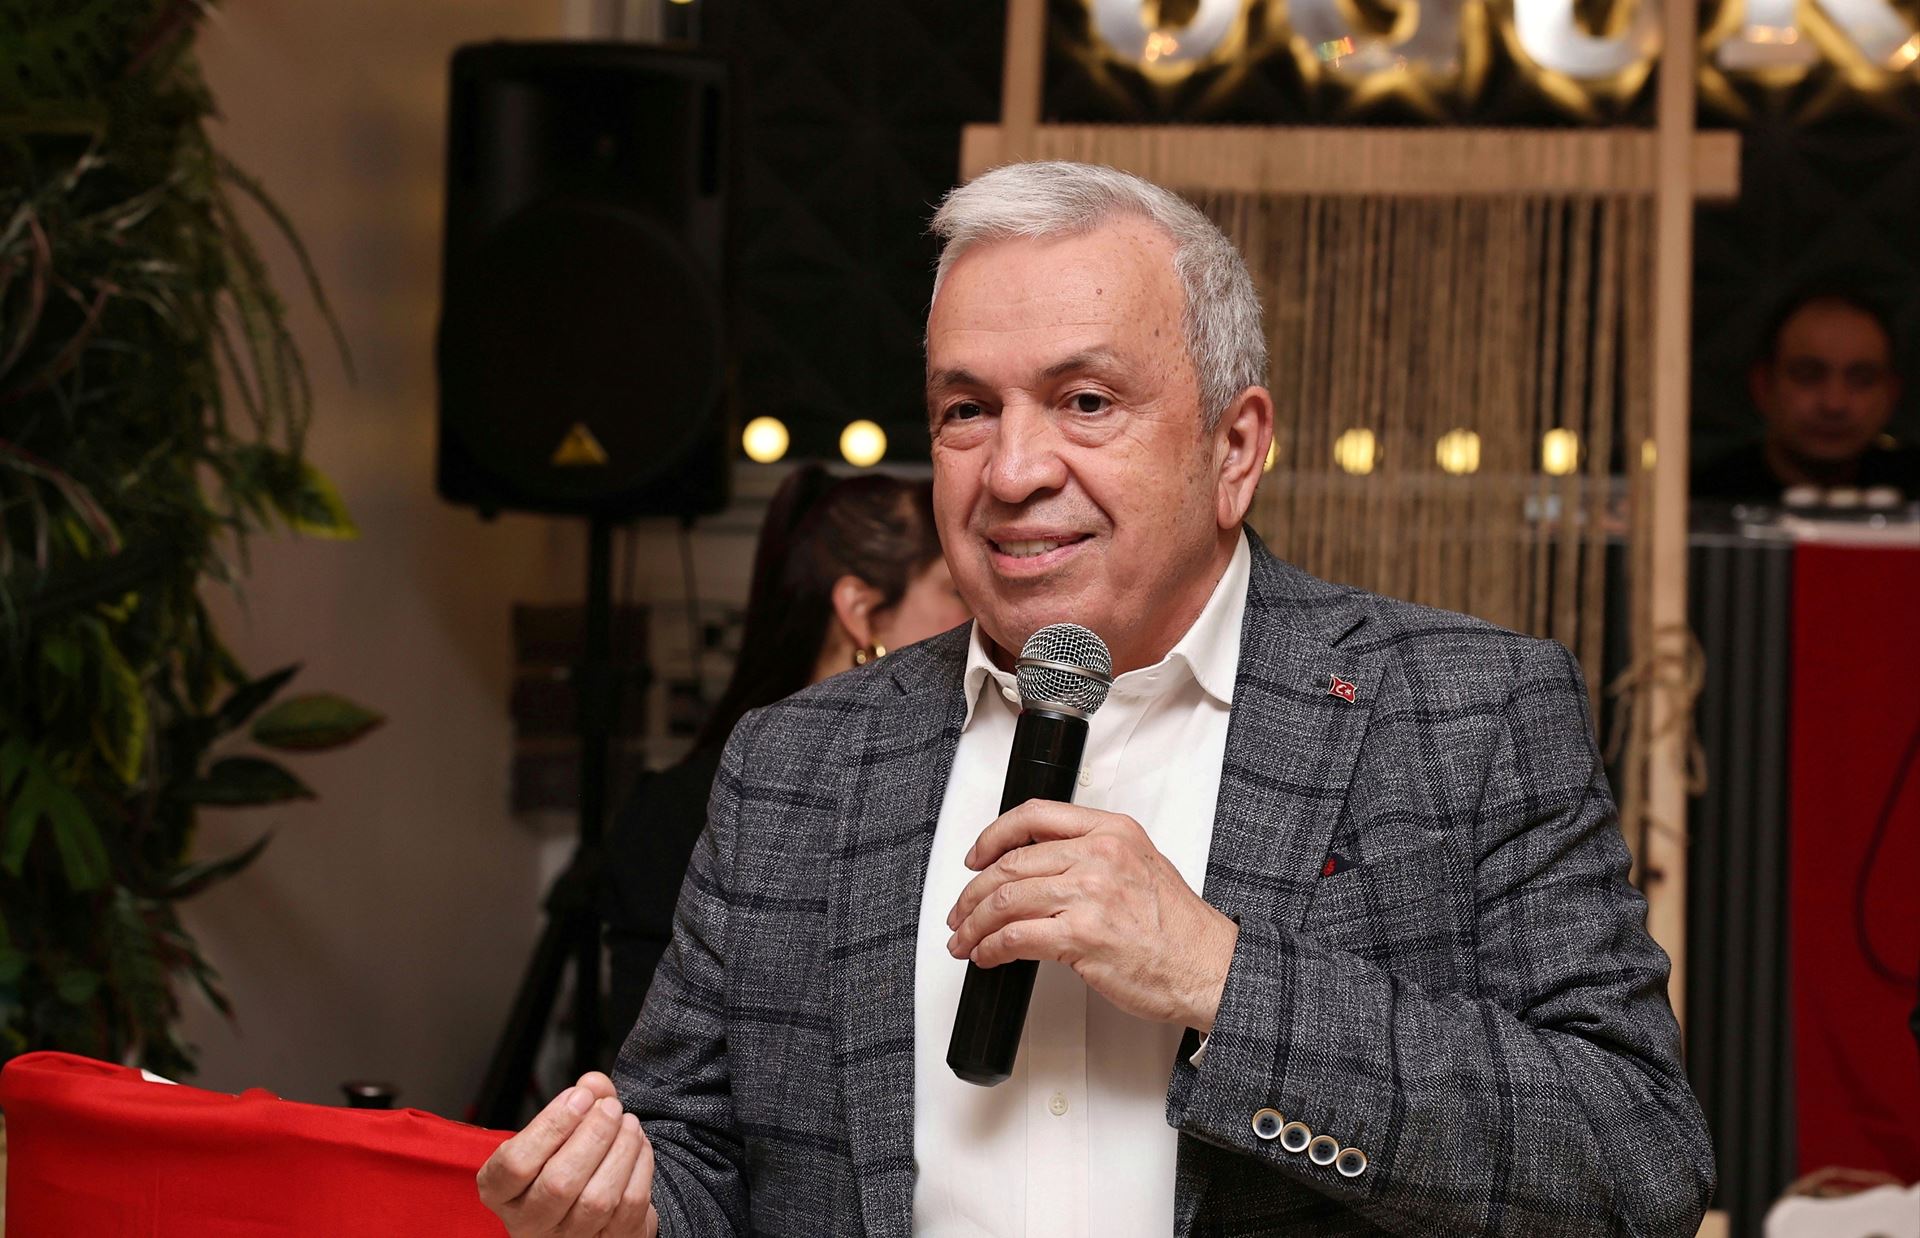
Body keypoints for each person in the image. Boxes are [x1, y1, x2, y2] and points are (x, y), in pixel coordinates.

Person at [478, 162, 1715, 1236]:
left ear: (1235, 447)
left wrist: (1220, 973)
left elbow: (1638, 1162)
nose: (1014, 469)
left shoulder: (1462, 714)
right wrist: (623, 1205)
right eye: (967, 410)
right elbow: (698, 1155)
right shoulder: (794, 765)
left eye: (1085, 401)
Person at [600, 463, 969, 1042]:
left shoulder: (964, 775)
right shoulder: (686, 813)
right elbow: (655, 1067)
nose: (976, 618)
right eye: (956, 592)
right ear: (861, 612)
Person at [1695, 285, 1920, 501]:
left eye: (1861, 379)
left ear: (1891, 393)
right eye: (1808, 375)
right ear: (1763, 386)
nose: (1834, 403)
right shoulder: (1700, 498)